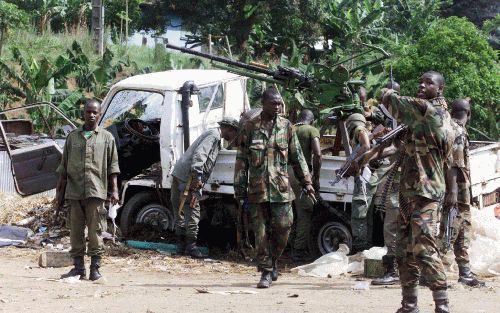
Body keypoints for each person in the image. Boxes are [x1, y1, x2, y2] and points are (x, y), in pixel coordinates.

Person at [381, 71, 455, 313]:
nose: (421, 85)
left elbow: (392, 101)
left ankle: (442, 305)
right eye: (419, 81)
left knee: (423, 250)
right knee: (404, 250)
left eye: (428, 83)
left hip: (424, 193)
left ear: (440, 89)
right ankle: (409, 304)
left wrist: (387, 91)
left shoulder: (427, 110)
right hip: (412, 192)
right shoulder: (433, 118)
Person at [234, 87, 314, 288]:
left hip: (281, 189)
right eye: (274, 103)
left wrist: (307, 182)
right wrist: (239, 188)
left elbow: (297, 157)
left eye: (280, 103)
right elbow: (241, 159)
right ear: (264, 103)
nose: (278, 106)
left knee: (283, 227)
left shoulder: (287, 126)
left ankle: (274, 260)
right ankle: (266, 271)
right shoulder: (250, 127)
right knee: (260, 234)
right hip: (257, 190)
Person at [56, 99, 120, 281]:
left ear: (100, 115)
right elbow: (63, 169)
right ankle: (78, 269)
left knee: (95, 231)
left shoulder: (107, 138)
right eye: (88, 112)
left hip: (96, 192)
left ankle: (95, 269)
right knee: (75, 231)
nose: (91, 115)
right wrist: (58, 194)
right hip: (74, 192)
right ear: (83, 113)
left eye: (95, 112)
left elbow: (113, 167)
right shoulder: (72, 137)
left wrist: (114, 190)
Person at [171, 117, 239, 258]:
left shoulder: (213, 136)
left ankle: (180, 247)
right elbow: (200, 155)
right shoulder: (213, 136)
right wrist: (198, 178)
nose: (233, 137)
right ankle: (191, 247)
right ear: (229, 129)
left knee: (180, 212)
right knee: (193, 211)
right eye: (234, 133)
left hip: (181, 175)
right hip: (189, 178)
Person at [440, 98, 484, 287]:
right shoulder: (457, 131)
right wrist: (453, 191)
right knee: (450, 230)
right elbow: (454, 164)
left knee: (462, 229)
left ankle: (465, 272)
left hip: (460, 191)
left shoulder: (454, 129)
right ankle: (429, 271)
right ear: (469, 114)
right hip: (456, 191)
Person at [369, 80, 402, 286]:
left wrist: (371, 155)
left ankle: (394, 270)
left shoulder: (403, 118)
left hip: (400, 177)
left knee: (392, 225)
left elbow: (397, 148)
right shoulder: (391, 118)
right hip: (395, 177)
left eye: (387, 97)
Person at [290, 109, 322, 262]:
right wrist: (316, 177)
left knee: (288, 212)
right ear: (312, 120)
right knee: (305, 211)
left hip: (283, 173)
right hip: (300, 174)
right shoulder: (311, 130)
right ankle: (298, 251)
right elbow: (317, 154)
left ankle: (287, 245)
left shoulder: (289, 129)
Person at [345, 112, 376, 253]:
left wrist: (354, 162)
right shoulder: (365, 130)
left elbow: (366, 146)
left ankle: (360, 247)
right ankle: (365, 247)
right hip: (368, 176)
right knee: (366, 213)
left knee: (359, 212)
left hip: (364, 177)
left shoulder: (359, 129)